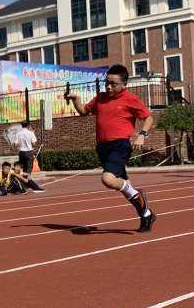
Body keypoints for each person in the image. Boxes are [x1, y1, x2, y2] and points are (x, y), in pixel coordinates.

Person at [66, 63, 156, 231]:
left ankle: (138, 197)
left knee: (107, 179)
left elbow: (148, 118)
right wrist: (75, 100)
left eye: (113, 84)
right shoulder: (100, 98)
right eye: (106, 82)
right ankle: (146, 214)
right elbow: (84, 111)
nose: (108, 86)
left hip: (120, 145)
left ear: (124, 84)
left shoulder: (130, 99)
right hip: (102, 147)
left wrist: (141, 135)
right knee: (123, 186)